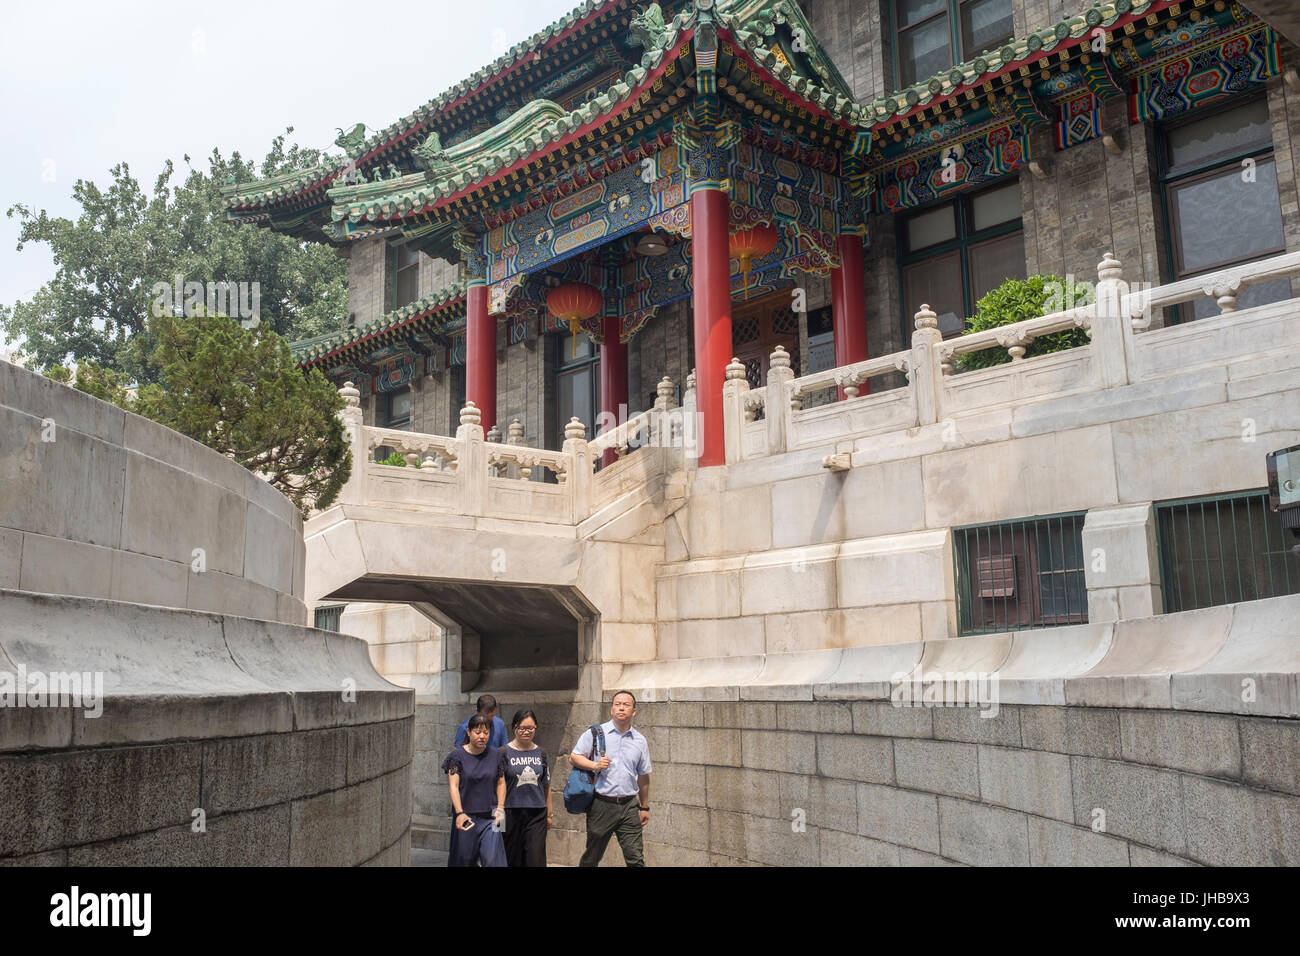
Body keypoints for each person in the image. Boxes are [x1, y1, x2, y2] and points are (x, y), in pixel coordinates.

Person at [569, 690, 652, 867]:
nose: (621, 708)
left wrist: (644, 806)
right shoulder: (595, 733)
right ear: (611, 709)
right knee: (592, 857)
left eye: (626, 705)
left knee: (635, 858)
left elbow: (643, 776)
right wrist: (595, 765)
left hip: (629, 806)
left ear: (634, 711)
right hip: (601, 805)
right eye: (617, 704)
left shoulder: (640, 740)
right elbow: (574, 757)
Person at [442, 713, 507, 867]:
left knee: (494, 860)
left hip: (492, 816)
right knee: (464, 860)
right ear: (468, 732)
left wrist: (501, 808)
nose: (482, 736)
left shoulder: (496, 755)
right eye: (478, 732)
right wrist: (459, 812)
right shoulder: (457, 756)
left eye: (486, 732)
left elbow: (501, 782)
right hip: (466, 817)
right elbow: (453, 786)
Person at [501, 709, 552, 867]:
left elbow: (546, 785)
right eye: (522, 728)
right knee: (512, 857)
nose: (526, 732)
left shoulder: (541, 753)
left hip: (536, 813)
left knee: (535, 857)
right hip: (509, 813)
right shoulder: (502, 753)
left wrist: (549, 814)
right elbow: (496, 786)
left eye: (530, 728)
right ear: (514, 728)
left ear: (535, 728)